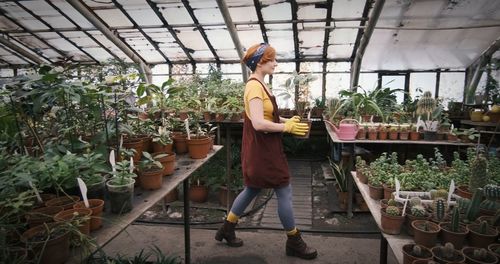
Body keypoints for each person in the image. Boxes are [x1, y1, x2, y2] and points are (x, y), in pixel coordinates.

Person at [215, 43, 318, 260]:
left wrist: (287, 121)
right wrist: (286, 128)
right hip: (262, 151)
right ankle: (294, 241)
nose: (275, 63)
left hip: (264, 148)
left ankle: (227, 228)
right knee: (284, 190)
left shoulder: (262, 85)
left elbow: (267, 117)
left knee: (252, 189)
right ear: (260, 62)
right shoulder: (253, 87)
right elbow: (259, 123)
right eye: (272, 60)